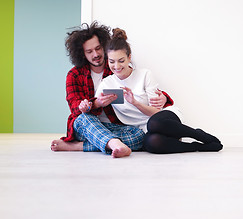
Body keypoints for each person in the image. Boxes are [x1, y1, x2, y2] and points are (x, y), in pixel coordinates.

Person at [51, 22, 173, 157]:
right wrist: (95, 104)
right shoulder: (74, 75)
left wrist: (164, 97)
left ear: (104, 46)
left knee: (139, 136)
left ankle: (78, 146)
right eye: (89, 51)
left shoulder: (116, 67)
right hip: (88, 126)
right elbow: (75, 109)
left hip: (116, 126)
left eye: (98, 48)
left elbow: (142, 87)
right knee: (82, 118)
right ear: (82, 53)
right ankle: (115, 144)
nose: (96, 54)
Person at [93, 28, 223, 154]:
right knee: (152, 144)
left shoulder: (145, 75)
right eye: (111, 61)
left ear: (129, 57)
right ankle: (197, 147)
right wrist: (97, 103)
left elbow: (156, 112)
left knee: (154, 123)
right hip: (143, 130)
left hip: (162, 119)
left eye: (121, 61)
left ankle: (198, 134)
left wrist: (135, 102)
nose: (116, 66)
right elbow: (94, 106)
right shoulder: (106, 84)